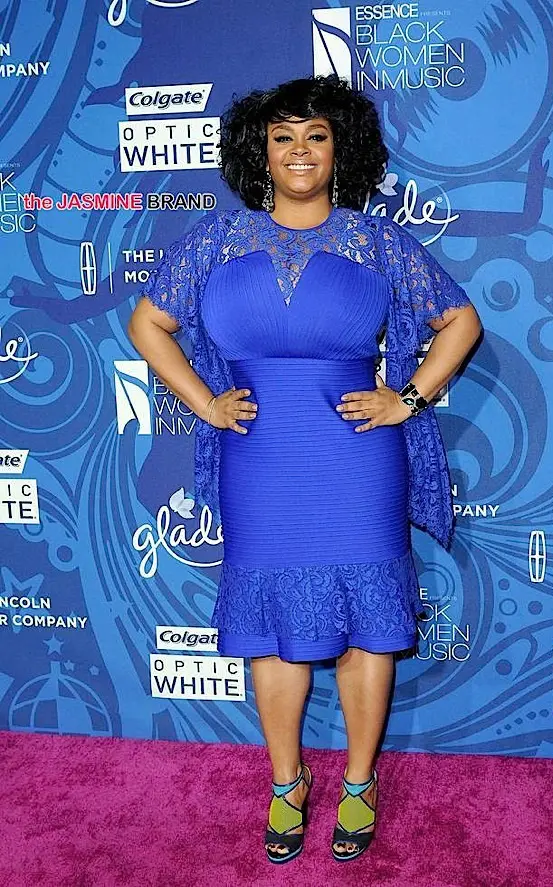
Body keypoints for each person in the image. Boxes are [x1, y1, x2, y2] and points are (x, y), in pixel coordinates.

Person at [127, 74, 482, 865]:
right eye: (282, 137)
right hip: (259, 459)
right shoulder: (215, 240)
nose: (298, 151)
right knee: (268, 630)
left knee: (368, 624)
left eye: (315, 136)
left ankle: (359, 779)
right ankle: (287, 781)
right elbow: (147, 323)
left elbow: (460, 320)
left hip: (357, 458)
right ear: (259, 152)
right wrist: (206, 402)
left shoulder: (377, 240)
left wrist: (408, 398)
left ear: (337, 149)